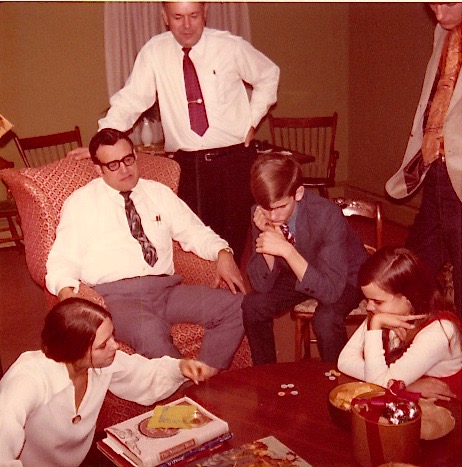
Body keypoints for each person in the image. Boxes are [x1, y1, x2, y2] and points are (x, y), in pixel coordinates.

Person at [72, 2, 280, 264]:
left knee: (234, 243)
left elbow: (269, 75)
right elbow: (131, 101)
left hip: (234, 161)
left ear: (204, 13)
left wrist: (252, 119)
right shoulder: (154, 52)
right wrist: (101, 143)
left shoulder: (230, 46)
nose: (187, 25)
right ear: (165, 18)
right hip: (189, 167)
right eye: (178, 17)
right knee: (195, 240)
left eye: (193, 16)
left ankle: (229, 300)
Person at [46, 128, 246, 379]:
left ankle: (204, 376)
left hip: (167, 290)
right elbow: (62, 256)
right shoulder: (81, 203)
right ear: (98, 169)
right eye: (113, 164)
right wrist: (65, 288)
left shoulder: (158, 193)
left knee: (236, 306)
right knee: (150, 330)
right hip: (118, 298)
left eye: (128, 159)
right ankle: (185, 397)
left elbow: (194, 232)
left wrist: (223, 251)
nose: (124, 169)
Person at [0, 297, 212, 466]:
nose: (115, 346)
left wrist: (180, 367)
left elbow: (144, 375)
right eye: (103, 345)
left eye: (113, 336)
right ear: (74, 350)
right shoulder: (27, 379)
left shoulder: (102, 363)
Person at [242, 153, 368, 364]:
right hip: (298, 269)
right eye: (267, 208)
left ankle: (337, 380)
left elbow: (330, 291)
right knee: (253, 305)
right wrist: (266, 238)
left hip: (344, 274)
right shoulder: (261, 212)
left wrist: (287, 251)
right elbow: (260, 285)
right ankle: (266, 375)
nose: (273, 216)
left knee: (326, 319)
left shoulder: (326, 214)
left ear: (298, 193)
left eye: (281, 207)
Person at [385, 2, 462, 318]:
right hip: (438, 168)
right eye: (432, 5)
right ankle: (404, 348)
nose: (438, 15)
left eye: (447, 4)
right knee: (413, 270)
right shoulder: (442, 33)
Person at [338, 247, 462, 401]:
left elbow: (377, 384)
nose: (369, 307)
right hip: (408, 401)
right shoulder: (382, 312)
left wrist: (375, 325)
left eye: (377, 301)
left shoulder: (439, 332)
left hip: (448, 410)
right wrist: (405, 385)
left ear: (408, 298)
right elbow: (344, 361)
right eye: (367, 299)